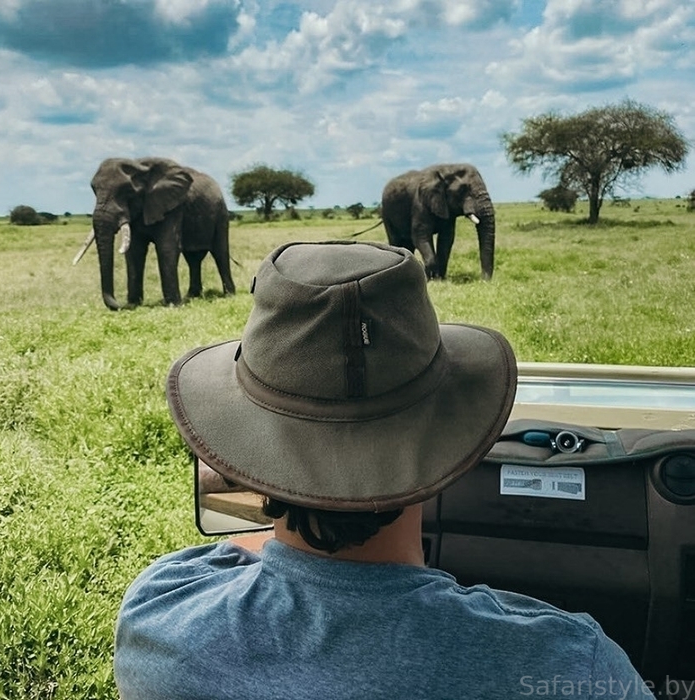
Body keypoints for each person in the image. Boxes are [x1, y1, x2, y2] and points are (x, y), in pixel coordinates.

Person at [114, 240, 654, 699]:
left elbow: (240, 560)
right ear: (450, 448)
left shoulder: (158, 617)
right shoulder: (575, 667)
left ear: (250, 460)